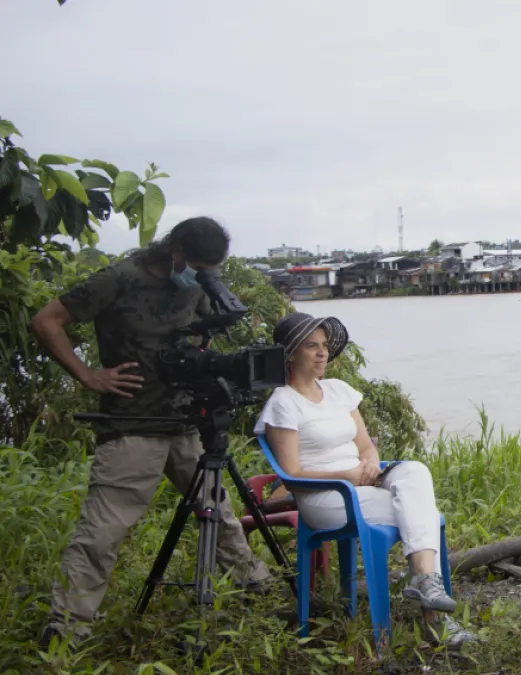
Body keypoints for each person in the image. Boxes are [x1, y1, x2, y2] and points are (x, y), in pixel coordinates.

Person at [30, 217, 273, 646]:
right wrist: (88, 375)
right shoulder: (120, 278)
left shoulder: (197, 284)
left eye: (207, 270)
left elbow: (202, 339)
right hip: (132, 425)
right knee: (103, 530)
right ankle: (67, 628)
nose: (198, 275)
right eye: (194, 265)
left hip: (184, 422)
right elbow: (47, 320)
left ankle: (257, 588)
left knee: (219, 513)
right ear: (174, 249)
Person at [254, 312, 474, 648]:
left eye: (325, 345)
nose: (322, 353)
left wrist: (370, 462)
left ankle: (426, 583)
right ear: (290, 353)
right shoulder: (283, 403)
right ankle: (435, 616)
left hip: (363, 485)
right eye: (311, 346)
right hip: (326, 498)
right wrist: (347, 475)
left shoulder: (338, 390)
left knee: (415, 471)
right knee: (421, 510)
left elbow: (365, 445)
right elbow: (292, 477)